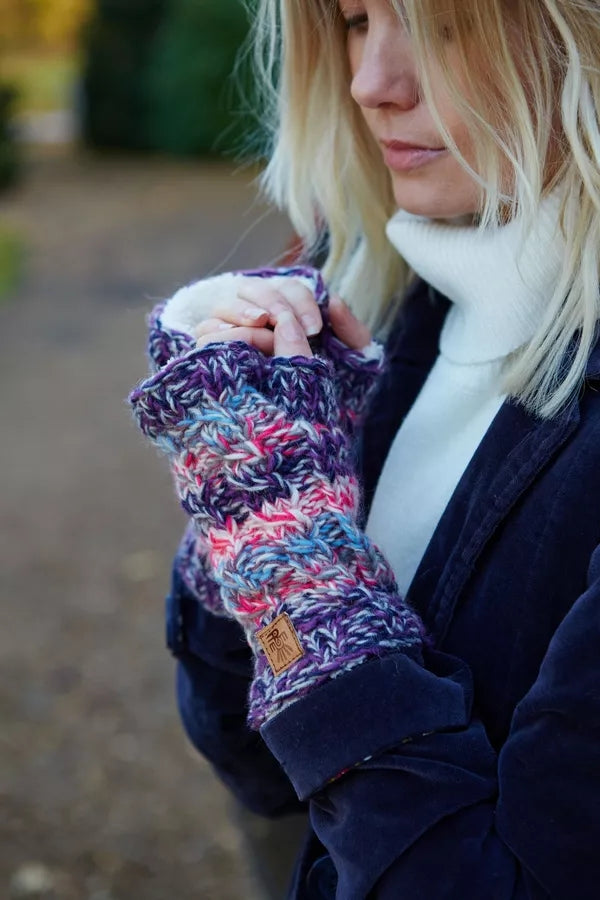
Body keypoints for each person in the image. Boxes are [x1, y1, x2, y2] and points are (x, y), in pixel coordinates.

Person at [128, 0, 600, 896]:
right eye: (354, 19)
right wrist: (250, 527)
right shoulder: (377, 299)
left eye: (443, 22)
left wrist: (301, 577)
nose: (370, 84)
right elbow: (260, 769)